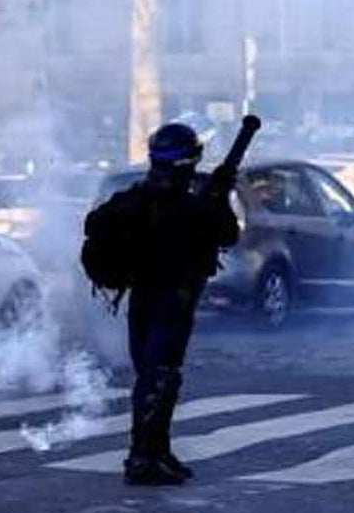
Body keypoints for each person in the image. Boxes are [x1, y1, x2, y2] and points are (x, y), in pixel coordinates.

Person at [86, 122, 239, 486]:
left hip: (140, 297)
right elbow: (228, 235)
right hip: (172, 299)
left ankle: (157, 450)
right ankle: (142, 457)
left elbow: (95, 222)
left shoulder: (134, 197)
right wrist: (217, 201)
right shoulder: (189, 204)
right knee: (160, 376)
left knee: (153, 375)